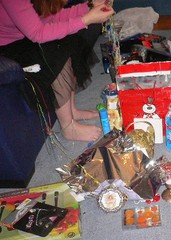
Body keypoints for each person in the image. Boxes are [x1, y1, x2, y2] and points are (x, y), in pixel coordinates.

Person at [0, 0, 115, 142]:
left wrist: (90, 6)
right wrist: (87, 19)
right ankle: (68, 127)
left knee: (70, 41)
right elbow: (38, 33)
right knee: (55, 52)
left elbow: (51, 17)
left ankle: (72, 111)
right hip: (7, 48)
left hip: (24, 37)